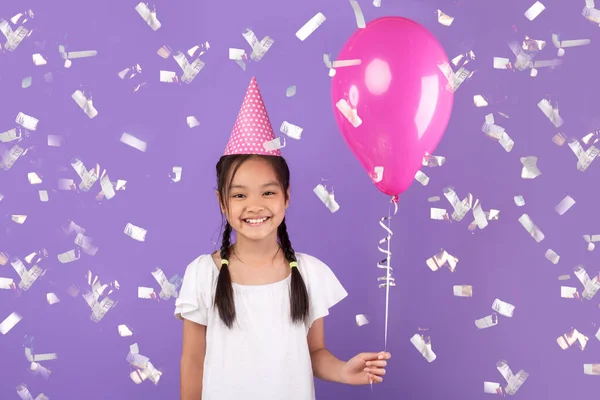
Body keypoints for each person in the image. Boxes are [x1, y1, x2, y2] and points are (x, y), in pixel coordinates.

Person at [175, 77, 391, 400]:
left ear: (286, 197)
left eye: (268, 192)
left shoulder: (307, 273)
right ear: (222, 201)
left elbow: (314, 352)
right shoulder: (203, 275)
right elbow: (193, 363)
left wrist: (344, 370)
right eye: (239, 195)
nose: (255, 205)